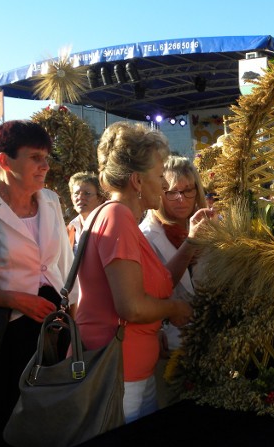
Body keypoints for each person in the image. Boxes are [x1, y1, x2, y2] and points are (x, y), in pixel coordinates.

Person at [75, 121, 213, 424]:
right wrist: (175, 308)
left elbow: (160, 281)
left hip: (130, 371)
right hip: (122, 376)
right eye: (159, 172)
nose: (164, 184)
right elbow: (132, 306)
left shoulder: (115, 216)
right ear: (138, 181)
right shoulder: (118, 217)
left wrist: (191, 241)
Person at [0, 120, 77, 447]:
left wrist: (70, 308)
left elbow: (63, 262)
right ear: (5, 161)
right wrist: (14, 300)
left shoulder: (50, 200)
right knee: (5, 429)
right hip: (6, 334)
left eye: (47, 157)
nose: (46, 166)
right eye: (36, 157)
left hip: (52, 329)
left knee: (48, 419)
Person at [139, 156, 208, 406]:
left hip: (208, 342)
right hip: (168, 343)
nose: (181, 199)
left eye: (188, 190)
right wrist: (191, 243)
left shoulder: (209, 226)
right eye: (171, 192)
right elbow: (157, 287)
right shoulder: (146, 236)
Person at [66, 171, 105, 253]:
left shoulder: (105, 226)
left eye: (87, 193)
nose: (80, 197)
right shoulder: (70, 229)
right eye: (76, 193)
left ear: (100, 198)